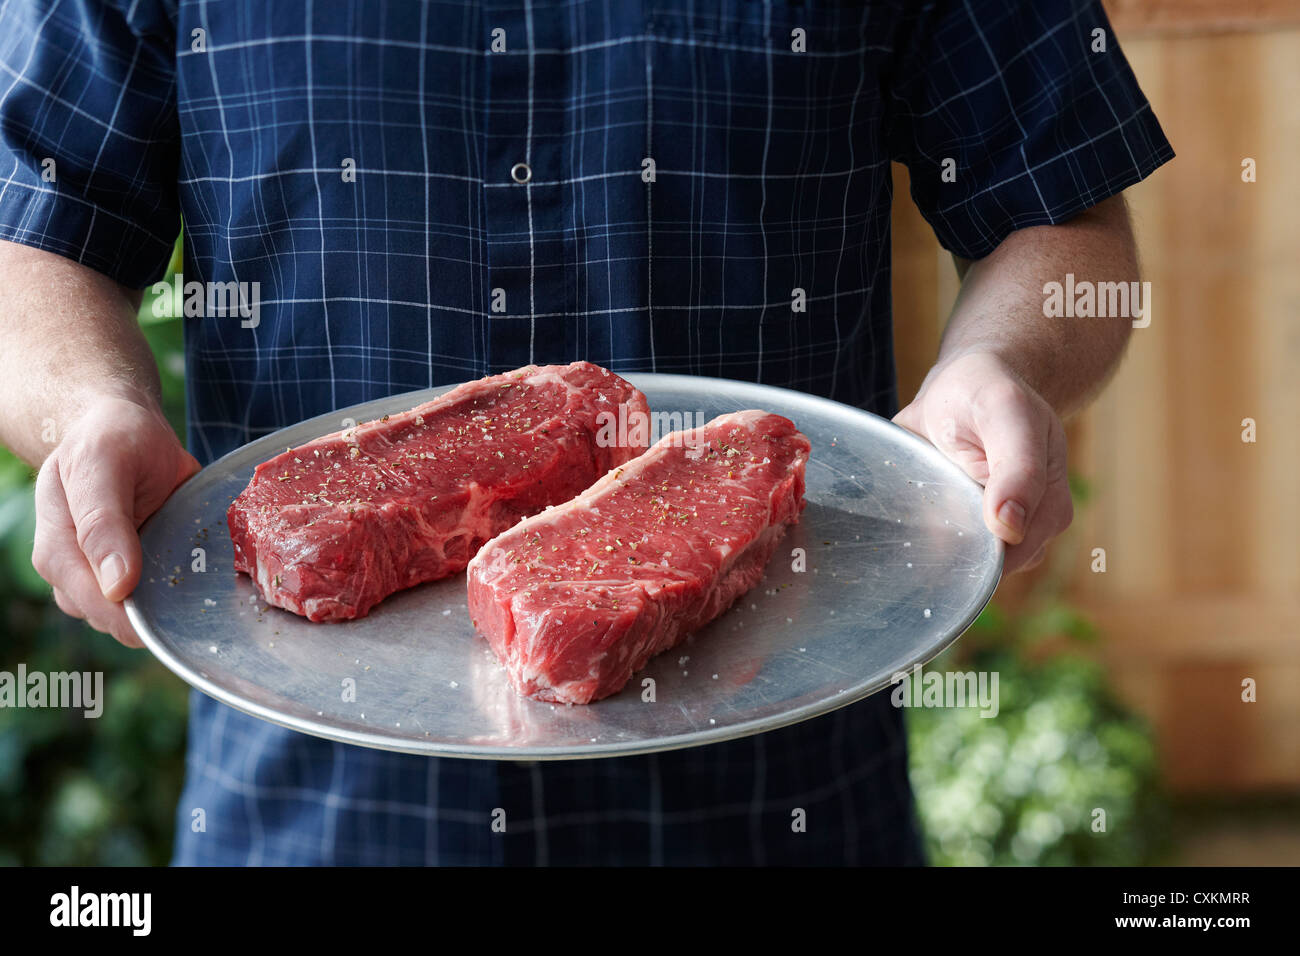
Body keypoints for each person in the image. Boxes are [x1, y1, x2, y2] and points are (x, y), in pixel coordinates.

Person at [0, 0, 1171, 865]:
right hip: (320, 816)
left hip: (781, 805)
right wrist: (87, 409)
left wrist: (997, 362)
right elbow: (32, 229)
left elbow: (1060, 215)